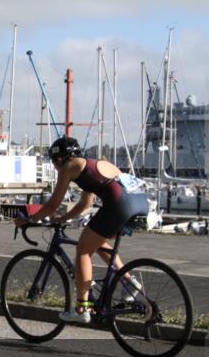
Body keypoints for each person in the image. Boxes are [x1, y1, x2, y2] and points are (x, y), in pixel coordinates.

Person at [14, 136, 149, 324]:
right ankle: (128, 281)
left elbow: (53, 203)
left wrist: (30, 219)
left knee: (83, 250)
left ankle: (81, 308)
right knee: (99, 241)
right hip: (139, 202)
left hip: (120, 204)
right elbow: (85, 203)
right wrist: (63, 219)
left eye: (54, 162)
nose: (55, 166)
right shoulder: (91, 166)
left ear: (60, 158)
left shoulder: (68, 167)